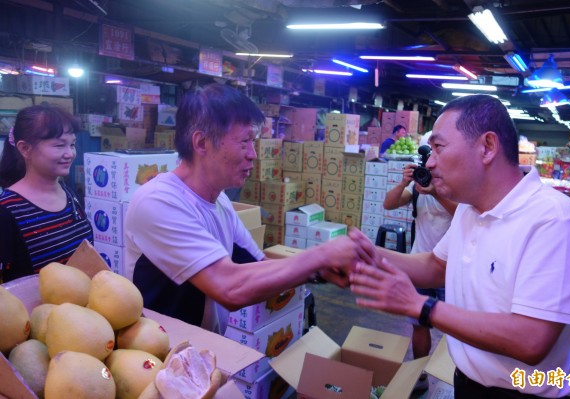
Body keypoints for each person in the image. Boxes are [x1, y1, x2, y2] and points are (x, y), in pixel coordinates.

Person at [349, 94, 570, 398]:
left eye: (439, 147)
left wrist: (421, 306)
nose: (429, 162)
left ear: (487, 147)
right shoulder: (470, 208)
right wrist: (364, 253)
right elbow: (435, 265)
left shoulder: (556, 221)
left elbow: (531, 340)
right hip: (468, 383)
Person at [124, 83, 374, 334]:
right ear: (201, 143)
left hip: (199, 350)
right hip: (155, 356)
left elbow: (257, 265)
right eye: (245, 142)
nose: (253, 154)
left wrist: (319, 270)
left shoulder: (219, 201)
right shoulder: (158, 202)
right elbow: (229, 287)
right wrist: (320, 256)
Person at [382, 131, 457, 391]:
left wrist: (436, 192)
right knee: (419, 325)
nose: (430, 165)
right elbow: (388, 204)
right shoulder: (417, 188)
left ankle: (455, 378)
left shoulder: (456, 186)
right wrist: (404, 184)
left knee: (457, 331)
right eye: (426, 158)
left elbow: (463, 214)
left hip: (451, 269)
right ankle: (420, 373)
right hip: (420, 265)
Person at [0, 105, 93, 283]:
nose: (70, 154)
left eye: (72, 144)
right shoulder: (7, 211)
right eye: (59, 145)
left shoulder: (70, 195)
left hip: (80, 306)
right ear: (25, 149)